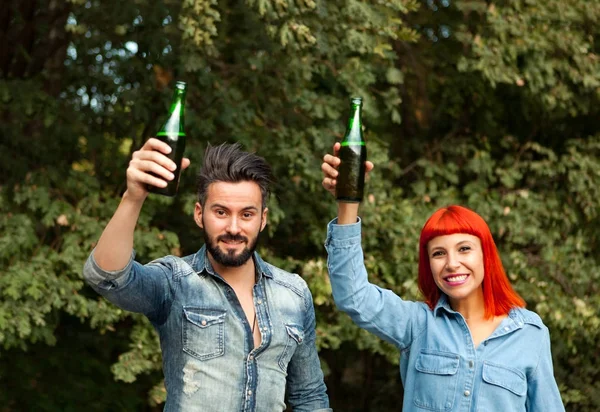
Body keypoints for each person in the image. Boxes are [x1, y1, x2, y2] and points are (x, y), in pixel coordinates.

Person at [83, 138, 332, 412]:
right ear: (200, 214)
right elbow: (107, 278)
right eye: (221, 212)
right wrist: (133, 197)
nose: (234, 227)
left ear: (263, 219)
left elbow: (310, 398)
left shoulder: (294, 294)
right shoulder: (176, 282)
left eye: (247, 214)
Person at [320, 143, 565, 411]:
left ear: (486, 256)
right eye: (438, 253)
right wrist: (348, 202)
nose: (452, 263)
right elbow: (353, 295)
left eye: (464, 249)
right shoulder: (418, 325)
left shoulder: (529, 334)